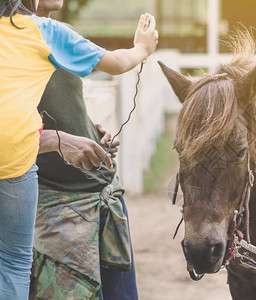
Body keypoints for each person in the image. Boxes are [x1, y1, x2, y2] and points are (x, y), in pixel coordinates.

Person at [0, 0, 158, 298]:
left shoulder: (60, 34)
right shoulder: (40, 34)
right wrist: (58, 141)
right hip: (53, 207)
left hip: (99, 195)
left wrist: (90, 132)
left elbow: (63, 106)